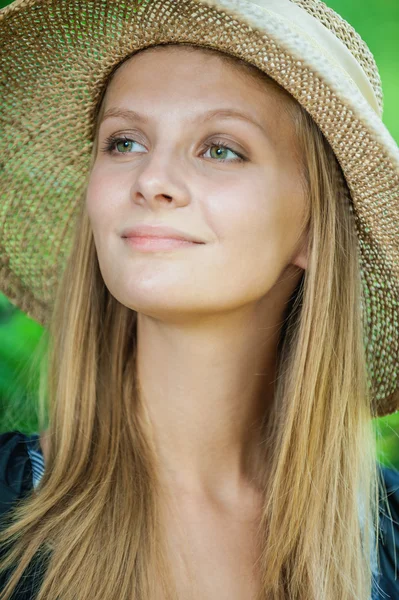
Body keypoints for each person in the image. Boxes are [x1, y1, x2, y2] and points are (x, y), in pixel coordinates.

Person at [0, 0, 398, 598]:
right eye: (124, 142)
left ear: (315, 228)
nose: (151, 179)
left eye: (221, 148)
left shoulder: (387, 534)